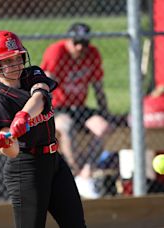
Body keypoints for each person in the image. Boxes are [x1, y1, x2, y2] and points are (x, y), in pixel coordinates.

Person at [0, 30, 86, 227]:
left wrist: (23, 116)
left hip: (55, 161)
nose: (16, 65)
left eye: (18, 58)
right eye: (7, 61)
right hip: (26, 168)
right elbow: (12, 152)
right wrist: (6, 141)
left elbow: (40, 95)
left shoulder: (32, 74)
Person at [40, 22, 113, 198]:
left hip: (79, 107)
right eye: (77, 43)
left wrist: (105, 111)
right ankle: (77, 174)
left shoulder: (92, 54)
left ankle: (86, 175)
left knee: (104, 128)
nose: (81, 48)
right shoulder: (57, 52)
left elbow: (98, 87)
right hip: (57, 106)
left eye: (85, 44)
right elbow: (45, 85)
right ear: (70, 40)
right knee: (67, 127)